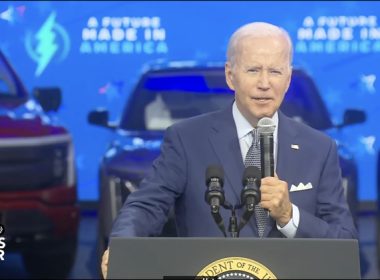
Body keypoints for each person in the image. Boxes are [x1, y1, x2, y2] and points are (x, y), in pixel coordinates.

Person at [101, 21, 357, 278]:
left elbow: (344, 242)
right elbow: (146, 206)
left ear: (288, 79)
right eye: (253, 70)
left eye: (275, 72)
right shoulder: (187, 139)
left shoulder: (319, 149)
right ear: (230, 75)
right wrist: (123, 245)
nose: (264, 83)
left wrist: (289, 216)